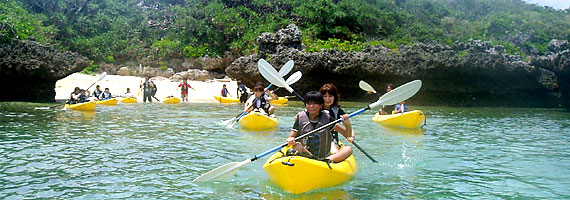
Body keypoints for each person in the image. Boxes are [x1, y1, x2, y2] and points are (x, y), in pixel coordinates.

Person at [286, 91, 354, 163]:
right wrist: (290, 140)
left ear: (321, 105)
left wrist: (347, 125)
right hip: (306, 156)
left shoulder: (328, 118)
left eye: (314, 104)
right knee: (297, 145)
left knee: (348, 149)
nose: (311, 106)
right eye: (308, 104)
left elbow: (347, 135)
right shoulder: (300, 118)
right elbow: (291, 137)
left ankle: (328, 160)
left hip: (324, 157)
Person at [319, 83, 353, 154]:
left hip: (331, 140)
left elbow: (348, 132)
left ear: (335, 97)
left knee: (332, 147)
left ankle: (334, 157)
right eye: (324, 96)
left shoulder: (338, 111)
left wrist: (350, 133)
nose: (327, 99)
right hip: (314, 138)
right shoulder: (314, 109)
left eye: (330, 96)